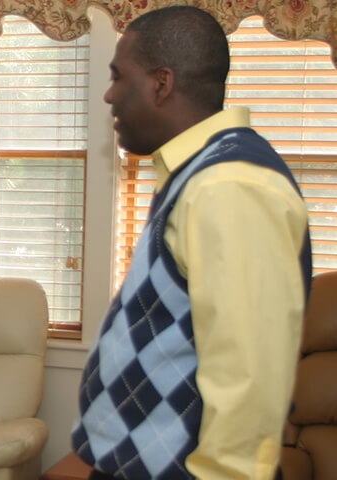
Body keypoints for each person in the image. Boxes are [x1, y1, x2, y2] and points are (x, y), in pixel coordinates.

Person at [71, 6, 311, 480]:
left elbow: (249, 379)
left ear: (161, 83)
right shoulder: (197, 174)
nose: (109, 94)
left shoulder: (229, 186)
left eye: (119, 77)